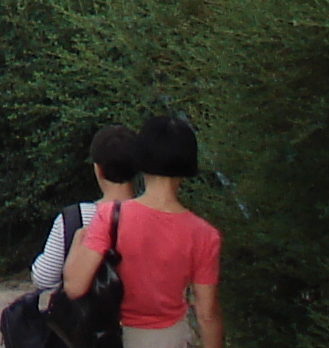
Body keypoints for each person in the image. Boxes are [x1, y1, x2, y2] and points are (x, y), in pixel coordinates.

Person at [62, 114, 222, 348]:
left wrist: (78, 240)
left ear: (140, 157)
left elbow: (74, 286)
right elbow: (207, 313)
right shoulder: (204, 234)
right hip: (171, 337)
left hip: (115, 336)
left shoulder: (110, 217)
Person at [32, 126, 137, 294]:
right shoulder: (154, 216)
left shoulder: (74, 218)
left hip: (88, 317)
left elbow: (44, 278)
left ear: (98, 169)